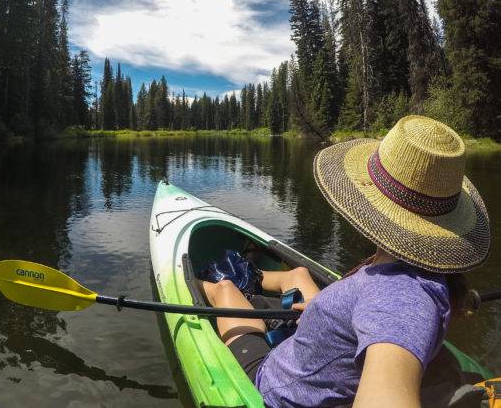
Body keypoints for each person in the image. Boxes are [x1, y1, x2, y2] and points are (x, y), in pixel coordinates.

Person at [199, 115, 491, 407]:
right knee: (298, 276)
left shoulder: (399, 298)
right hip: (316, 356)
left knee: (224, 287)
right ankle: (279, 281)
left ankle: (198, 283)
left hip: (271, 385)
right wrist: (325, 314)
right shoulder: (422, 271)